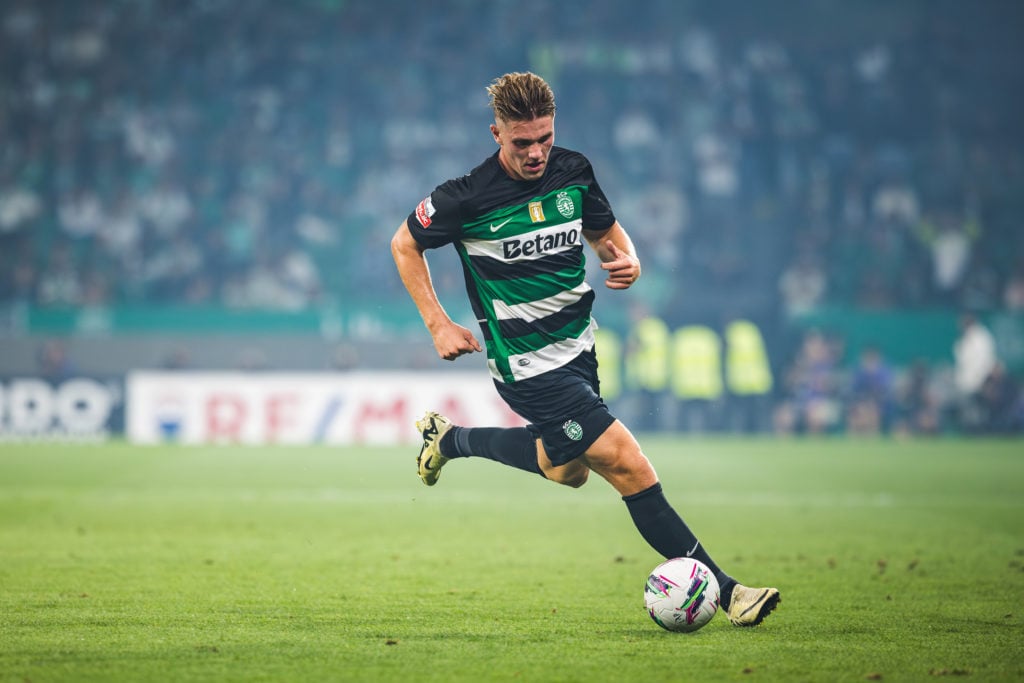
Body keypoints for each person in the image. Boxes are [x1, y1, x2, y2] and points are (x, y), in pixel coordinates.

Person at [390, 72, 779, 627]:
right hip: (525, 364)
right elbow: (404, 243)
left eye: (543, 138)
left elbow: (608, 235)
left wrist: (631, 259)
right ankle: (730, 591)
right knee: (626, 462)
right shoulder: (465, 196)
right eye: (521, 142)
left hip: (578, 349)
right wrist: (438, 324)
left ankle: (449, 440)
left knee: (565, 470)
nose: (535, 152)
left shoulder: (573, 170)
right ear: (496, 132)